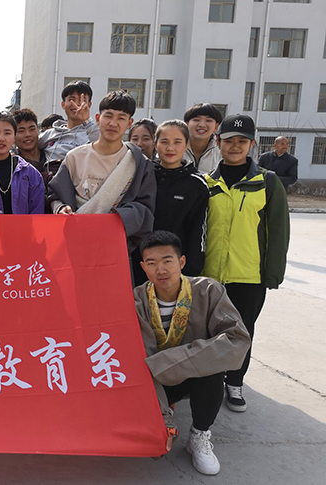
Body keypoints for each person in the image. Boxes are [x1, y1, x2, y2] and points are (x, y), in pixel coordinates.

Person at [134, 231, 250, 476]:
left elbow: (236, 339)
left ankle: (199, 434)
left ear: (182, 262)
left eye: (167, 261)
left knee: (213, 368)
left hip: (189, 375)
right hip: (154, 381)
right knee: (136, 366)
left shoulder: (208, 291)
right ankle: (160, 417)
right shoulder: (137, 300)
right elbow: (138, 358)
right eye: (151, 263)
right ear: (143, 267)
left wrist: (171, 362)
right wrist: (162, 421)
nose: (160, 270)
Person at [202, 114, 290, 413]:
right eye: (229, 140)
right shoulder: (207, 182)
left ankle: (235, 381)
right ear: (218, 142)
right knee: (208, 331)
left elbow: (277, 231)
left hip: (248, 275)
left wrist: (272, 274)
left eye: (242, 141)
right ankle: (210, 380)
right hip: (210, 274)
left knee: (242, 332)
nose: (235, 146)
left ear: (252, 144)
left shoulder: (266, 182)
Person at [47, 90, 156, 253]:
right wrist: (60, 208)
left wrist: (115, 221)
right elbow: (54, 194)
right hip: (74, 242)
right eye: (108, 116)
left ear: (129, 123)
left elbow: (144, 207)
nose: (113, 123)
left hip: (115, 246)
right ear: (98, 118)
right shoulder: (74, 156)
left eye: (121, 118)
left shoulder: (138, 162)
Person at [151, 120, 208, 278]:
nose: (170, 148)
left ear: (187, 145)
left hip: (176, 266)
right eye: (164, 142)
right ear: (155, 144)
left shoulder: (196, 184)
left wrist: (192, 270)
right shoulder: (144, 175)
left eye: (177, 142)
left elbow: (198, 230)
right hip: (141, 262)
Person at [38, 80, 100, 175]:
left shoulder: (93, 133)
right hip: (51, 180)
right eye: (72, 99)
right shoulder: (49, 134)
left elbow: (106, 148)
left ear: (89, 105)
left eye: (82, 100)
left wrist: (86, 120)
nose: (77, 104)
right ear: (63, 104)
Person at [184, 103, 223, 174]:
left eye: (208, 120)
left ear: (216, 127)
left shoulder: (221, 153)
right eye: (196, 120)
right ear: (186, 124)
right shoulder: (175, 148)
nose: (202, 125)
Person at [13, 108, 46, 173]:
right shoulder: (13, 166)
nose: (28, 135)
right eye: (21, 131)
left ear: (38, 130)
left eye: (32, 129)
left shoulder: (51, 154)